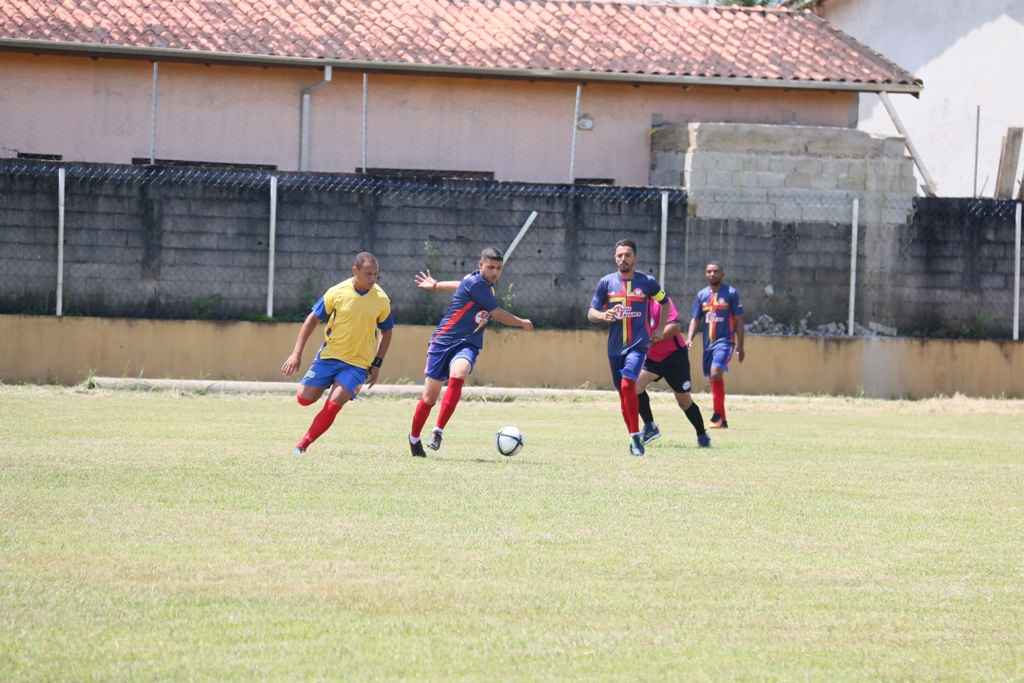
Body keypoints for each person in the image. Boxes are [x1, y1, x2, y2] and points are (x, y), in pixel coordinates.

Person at [408, 247, 534, 457]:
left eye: (499, 268)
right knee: (429, 398)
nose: (495, 272)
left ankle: (438, 430)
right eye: (490, 267)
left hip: (468, 343)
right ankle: (414, 438)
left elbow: (460, 283)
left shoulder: (477, 282)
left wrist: (437, 285)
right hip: (443, 342)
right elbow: (497, 313)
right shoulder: (478, 284)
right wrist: (521, 323)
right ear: (480, 266)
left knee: (459, 373)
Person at [280, 252, 394, 455]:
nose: (372, 279)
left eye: (376, 274)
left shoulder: (381, 299)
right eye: (368, 274)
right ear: (355, 271)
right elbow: (312, 320)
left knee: (333, 404)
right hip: (329, 357)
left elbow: (387, 331)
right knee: (304, 399)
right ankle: (341, 385)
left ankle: (302, 445)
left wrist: (377, 364)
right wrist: (295, 354)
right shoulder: (337, 292)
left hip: (357, 363)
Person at [587, 239, 669, 457]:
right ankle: (635, 435)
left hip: (638, 346)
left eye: (628, 255)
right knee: (623, 393)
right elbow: (591, 312)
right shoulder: (606, 283)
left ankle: (635, 441)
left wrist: (659, 329)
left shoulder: (648, 282)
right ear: (615, 258)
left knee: (627, 385)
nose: (623, 259)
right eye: (619, 255)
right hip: (614, 348)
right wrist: (604, 315)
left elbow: (665, 302)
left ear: (635, 258)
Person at [636, 295, 712, 448]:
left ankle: (701, 434)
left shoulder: (662, 302)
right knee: (634, 386)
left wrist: (651, 339)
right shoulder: (634, 307)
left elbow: (675, 327)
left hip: (674, 358)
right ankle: (650, 426)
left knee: (684, 401)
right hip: (653, 358)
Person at [687, 262, 745, 429]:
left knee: (716, 371)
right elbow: (695, 319)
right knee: (713, 377)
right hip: (708, 345)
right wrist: (690, 338)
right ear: (706, 274)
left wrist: (741, 346)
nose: (712, 274)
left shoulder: (731, 293)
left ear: (722, 274)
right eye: (709, 271)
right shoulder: (701, 295)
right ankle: (722, 419)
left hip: (725, 342)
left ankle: (717, 416)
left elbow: (739, 321)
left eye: (716, 271)